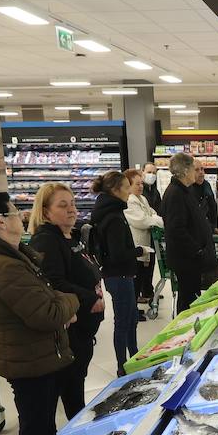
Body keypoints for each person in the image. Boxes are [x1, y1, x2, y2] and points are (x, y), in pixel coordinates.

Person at [0, 191, 79, 435]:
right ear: (0, 221)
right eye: (15, 212)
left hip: (34, 356)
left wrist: (58, 303)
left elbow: (46, 296)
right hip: (30, 361)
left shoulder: (14, 256)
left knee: (42, 427)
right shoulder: (4, 267)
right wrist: (72, 301)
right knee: (37, 431)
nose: (21, 216)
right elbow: (47, 313)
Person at [29, 182, 104, 417]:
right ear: (45, 212)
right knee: (72, 392)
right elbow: (53, 283)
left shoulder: (70, 236)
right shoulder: (46, 241)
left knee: (76, 383)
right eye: (62, 205)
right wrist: (90, 298)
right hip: (69, 331)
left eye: (72, 203)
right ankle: (76, 430)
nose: (71, 209)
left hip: (83, 329)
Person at [91, 170, 142, 375]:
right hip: (119, 276)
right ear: (115, 190)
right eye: (126, 187)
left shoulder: (108, 211)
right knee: (123, 321)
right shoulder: (113, 217)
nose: (129, 191)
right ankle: (123, 366)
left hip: (117, 275)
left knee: (130, 319)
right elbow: (118, 254)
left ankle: (134, 357)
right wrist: (139, 251)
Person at [161, 152, 218, 312]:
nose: (197, 172)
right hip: (186, 260)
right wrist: (197, 250)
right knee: (187, 299)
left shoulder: (184, 191)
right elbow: (176, 229)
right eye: (194, 168)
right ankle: (184, 326)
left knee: (191, 296)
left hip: (190, 259)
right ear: (186, 171)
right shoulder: (175, 194)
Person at [125, 167, 163, 305]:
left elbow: (153, 214)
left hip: (146, 243)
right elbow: (143, 220)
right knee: (137, 277)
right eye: (137, 184)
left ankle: (142, 296)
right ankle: (134, 305)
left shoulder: (142, 199)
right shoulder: (130, 201)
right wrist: (156, 221)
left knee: (144, 273)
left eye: (141, 183)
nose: (141, 186)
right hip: (137, 244)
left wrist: (154, 219)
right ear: (128, 185)